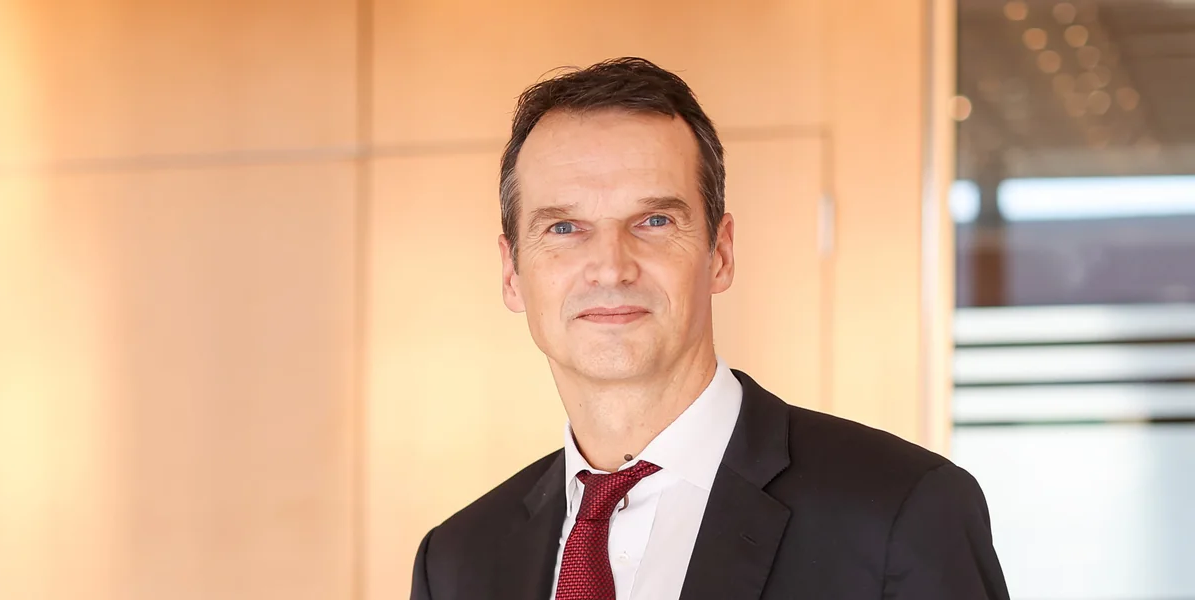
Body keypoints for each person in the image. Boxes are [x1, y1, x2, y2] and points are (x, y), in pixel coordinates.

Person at [410, 57, 1009, 600]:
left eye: (653, 221)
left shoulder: (902, 509)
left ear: (719, 254)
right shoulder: (458, 560)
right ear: (512, 273)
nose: (611, 268)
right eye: (563, 228)